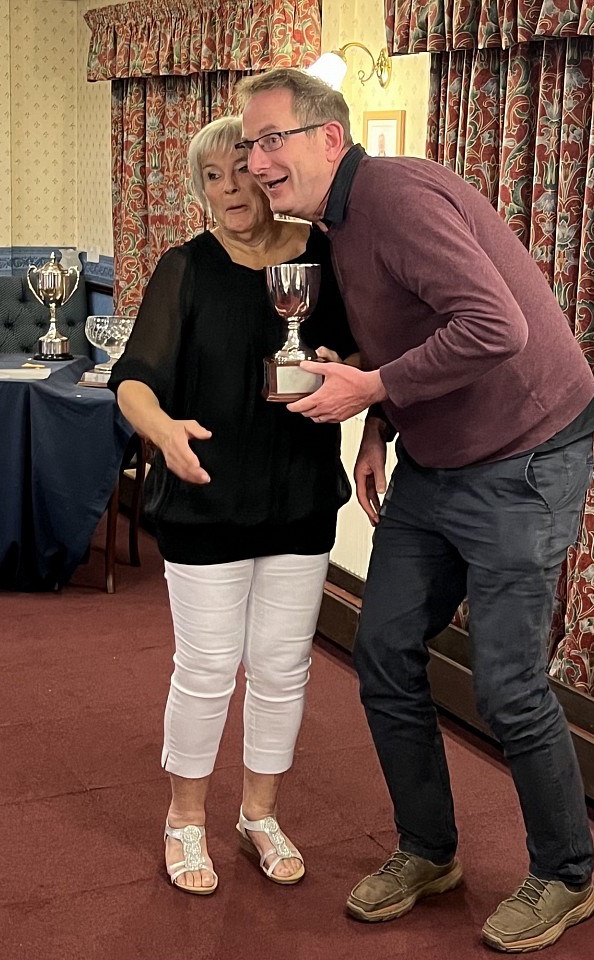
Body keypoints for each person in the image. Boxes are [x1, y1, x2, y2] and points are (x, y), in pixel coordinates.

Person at [236, 69, 594, 951]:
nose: (255, 162)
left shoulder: (396, 197)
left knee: (508, 685)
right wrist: (380, 426)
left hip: (527, 454)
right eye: (249, 145)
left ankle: (567, 874)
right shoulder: (336, 224)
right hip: (436, 460)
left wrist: (372, 388)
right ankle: (428, 849)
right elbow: (408, 331)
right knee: (383, 650)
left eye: (271, 140)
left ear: (330, 138)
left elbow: (495, 326)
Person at [109, 115, 357, 896]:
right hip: (206, 497)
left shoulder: (322, 258)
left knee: (282, 668)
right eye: (210, 179)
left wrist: (342, 372)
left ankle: (258, 815)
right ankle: (184, 819)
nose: (227, 190)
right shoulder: (186, 266)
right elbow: (133, 377)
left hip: (299, 494)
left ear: (268, 171)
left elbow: (363, 350)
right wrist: (163, 432)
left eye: (239, 171)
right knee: (210, 667)